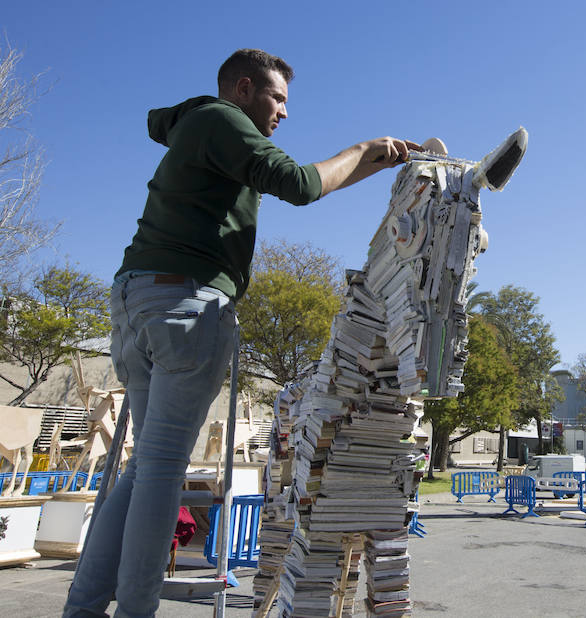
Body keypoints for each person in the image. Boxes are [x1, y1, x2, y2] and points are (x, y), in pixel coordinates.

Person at [63, 48, 419, 618]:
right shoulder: (224, 120)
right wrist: (361, 149)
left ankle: (82, 609)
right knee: (159, 470)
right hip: (187, 301)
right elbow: (300, 184)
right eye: (277, 98)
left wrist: (372, 163)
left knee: (141, 469)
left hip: (140, 299)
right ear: (244, 88)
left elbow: (162, 120)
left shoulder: (197, 123)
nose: (283, 112)